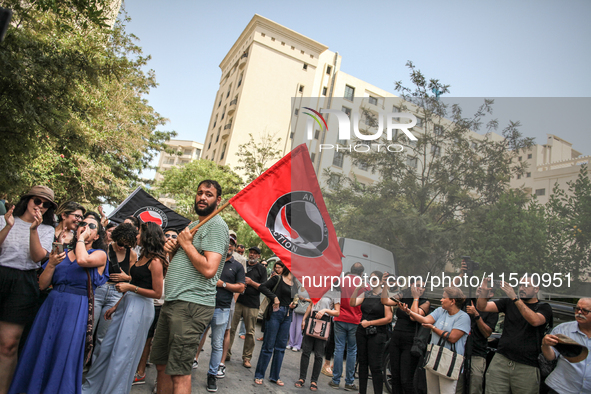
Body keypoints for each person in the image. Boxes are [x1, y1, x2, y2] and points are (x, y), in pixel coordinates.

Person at [8, 212, 108, 394]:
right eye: (83, 224)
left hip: (76, 308)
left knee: (63, 351)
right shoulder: (62, 252)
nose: (86, 227)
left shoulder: (99, 254)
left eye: (92, 226)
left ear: (97, 236)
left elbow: (82, 260)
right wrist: (52, 264)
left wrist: (80, 240)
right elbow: (43, 284)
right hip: (52, 304)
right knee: (42, 346)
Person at [150, 179, 229, 394]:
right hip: (174, 302)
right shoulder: (194, 226)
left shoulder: (216, 226)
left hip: (191, 305)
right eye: (200, 192)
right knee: (163, 365)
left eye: (209, 194)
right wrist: (173, 249)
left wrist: (185, 244)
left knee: (179, 371)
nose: (202, 197)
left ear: (218, 200)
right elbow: (186, 260)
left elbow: (209, 269)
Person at [82, 222, 166, 394]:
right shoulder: (142, 255)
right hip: (126, 304)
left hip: (141, 308)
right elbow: (135, 281)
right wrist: (116, 306)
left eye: (139, 232)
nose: (135, 235)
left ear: (147, 235)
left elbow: (157, 293)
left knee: (123, 353)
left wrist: (129, 288)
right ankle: (93, 388)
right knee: (107, 348)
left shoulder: (156, 261)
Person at [0, 186, 56, 394]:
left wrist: (33, 229)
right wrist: (8, 226)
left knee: (8, 344)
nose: (40, 206)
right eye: (37, 201)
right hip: (1, 272)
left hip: (24, 282)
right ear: (27, 200)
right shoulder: (4, 219)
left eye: (46, 204)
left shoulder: (46, 229)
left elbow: (37, 257)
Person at [477, 276, 553, 394]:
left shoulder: (544, 307)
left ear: (536, 289)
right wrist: (484, 290)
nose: (521, 288)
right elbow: (482, 307)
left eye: (526, 286)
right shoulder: (509, 302)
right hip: (501, 360)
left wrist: (514, 298)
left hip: (527, 365)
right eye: (520, 285)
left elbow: (535, 321)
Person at [193, 236, 245, 392]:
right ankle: (190, 363)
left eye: (232, 244)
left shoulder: (237, 266)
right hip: (203, 305)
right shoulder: (211, 259)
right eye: (226, 242)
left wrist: (222, 284)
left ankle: (212, 375)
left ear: (234, 248)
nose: (229, 245)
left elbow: (241, 287)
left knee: (217, 344)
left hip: (222, 309)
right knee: (195, 337)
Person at [401, 286, 471, 394]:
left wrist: (433, 328)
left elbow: (452, 338)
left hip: (449, 361)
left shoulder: (463, 317)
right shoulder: (440, 311)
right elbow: (425, 320)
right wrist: (409, 312)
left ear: (452, 301)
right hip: (434, 357)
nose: (441, 300)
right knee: (432, 391)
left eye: (444, 298)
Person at [133, 228, 178, 386]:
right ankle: (140, 372)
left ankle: (162, 384)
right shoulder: (151, 256)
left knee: (165, 343)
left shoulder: (178, 258)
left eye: (174, 236)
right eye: (167, 235)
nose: (170, 238)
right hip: (149, 302)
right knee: (146, 339)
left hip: (167, 304)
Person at [91, 223, 138, 363]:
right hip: (100, 289)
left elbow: (134, 278)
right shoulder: (104, 249)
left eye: (126, 245)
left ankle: (95, 369)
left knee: (103, 336)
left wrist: (126, 278)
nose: (121, 247)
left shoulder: (132, 254)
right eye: (119, 243)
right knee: (88, 330)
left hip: (116, 293)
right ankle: (79, 365)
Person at [381, 273, 430, 394]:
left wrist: (416, 298)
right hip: (396, 338)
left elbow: (414, 316)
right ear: (412, 285)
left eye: (423, 287)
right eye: (418, 285)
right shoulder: (403, 294)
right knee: (395, 377)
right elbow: (385, 301)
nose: (421, 289)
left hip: (410, 341)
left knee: (406, 379)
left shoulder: (425, 302)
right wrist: (385, 286)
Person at [254, 261, 299, 386]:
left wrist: (294, 305)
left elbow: (294, 300)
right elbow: (262, 287)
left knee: (280, 347)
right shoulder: (278, 279)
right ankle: (259, 374)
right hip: (275, 313)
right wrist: (274, 297)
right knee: (268, 345)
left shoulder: (295, 284)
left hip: (287, 315)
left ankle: (274, 376)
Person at [349, 271, 393, 394]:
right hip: (362, 332)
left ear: (380, 281)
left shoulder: (384, 297)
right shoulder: (366, 294)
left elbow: (388, 318)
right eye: (371, 279)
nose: (371, 281)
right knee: (362, 363)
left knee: (375, 366)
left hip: (377, 334)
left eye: (374, 279)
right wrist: (356, 289)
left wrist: (370, 323)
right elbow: (352, 303)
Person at [330, 262, 367, 391]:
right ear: (361, 273)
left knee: (339, 348)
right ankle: (349, 382)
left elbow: (334, 298)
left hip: (340, 317)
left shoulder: (341, 281)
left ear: (350, 270)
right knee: (352, 350)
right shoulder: (364, 285)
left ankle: (335, 380)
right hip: (355, 320)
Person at [541, 297, 591, 394]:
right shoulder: (562, 329)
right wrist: (545, 345)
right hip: (561, 388)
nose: (579, 312)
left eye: (584, 311)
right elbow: (550, 357)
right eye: (577, 309)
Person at [295, 286, 341, 391]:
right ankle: (302, 378)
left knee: (319, 354)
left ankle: (314, 381)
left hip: (324, 321)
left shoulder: (335, 292)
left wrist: (325, 310)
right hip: (311, 319)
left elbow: (337, 312)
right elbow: (311, 305)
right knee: (306, 351)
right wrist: (304, 319)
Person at [228, 246, 267, 368]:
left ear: (259, 256)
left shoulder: (262, 269)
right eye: (251, 252)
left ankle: (247, 358)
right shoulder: (242, 264)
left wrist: (251, 283)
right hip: (238, 301)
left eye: (255, 253)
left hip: (252, 304)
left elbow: (264, 287)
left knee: (250, 332)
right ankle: (226, 352)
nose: (252, 255)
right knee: (231, 328)